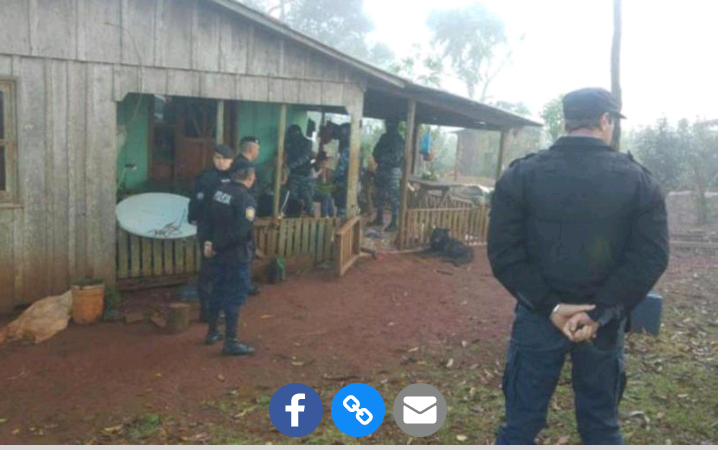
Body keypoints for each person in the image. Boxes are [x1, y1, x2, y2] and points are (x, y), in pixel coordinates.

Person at [487, 87, 669, 445]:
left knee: (520, 425)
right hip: (602, 324)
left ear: (566, 121)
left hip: (538, 317)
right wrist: (599, 312)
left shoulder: (521, 175)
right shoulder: (639, 181)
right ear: (605, 120)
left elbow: (504, 253)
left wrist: (551, 307)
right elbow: (651, 257)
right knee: (601, 426)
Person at [202, 159, 258, 356]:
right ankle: (231, 342)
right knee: (234, 298)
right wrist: (218, 245)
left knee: (217, 292)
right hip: (235, 255)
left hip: (217, 253)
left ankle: (212, 332)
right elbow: (241, 232)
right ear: (250, 178)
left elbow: (208, 219)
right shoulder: (245, 199)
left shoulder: (220, 192)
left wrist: (210, 243)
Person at [187, 143, 233, 323]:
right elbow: (196, 201)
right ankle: (207, 311)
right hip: (209, 230)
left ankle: (220, 307)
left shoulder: (235, 177)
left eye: (225, 158)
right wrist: (193, 217)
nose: (221, 162)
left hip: (228, 230)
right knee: (209, 270)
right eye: (217, 158)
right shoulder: (205, 178)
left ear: (231, 160)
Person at [232, 136, 262, 297]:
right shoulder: (245, 165)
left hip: (237, 212)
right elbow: (248, 191)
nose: (258, 152)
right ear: (251, 149)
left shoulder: (236, 162)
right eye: (257, 149)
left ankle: (240, 283)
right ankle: (243, 285)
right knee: (245, 250)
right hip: (243, 212)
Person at [371, 118, 405, 232]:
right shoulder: (384, 137)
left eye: (391, 124)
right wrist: (380, 159)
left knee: (394, 197)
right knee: (379, 195)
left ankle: (394, 222)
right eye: (387, 124)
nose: (388, 127)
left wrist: (382, 159)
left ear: (396, 126)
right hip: (382, 169)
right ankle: (379, 218)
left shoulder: (399, 140)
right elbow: (375, 152)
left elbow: (396, 157)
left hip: (393, 170)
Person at [284, 124, 316, 217]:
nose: (292, 136)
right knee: (293, 199)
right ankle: (294, 217)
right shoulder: (289, 142)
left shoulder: (307, 142)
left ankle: (311, 218)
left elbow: (305, 157)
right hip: (294, 175)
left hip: (305, 175)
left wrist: (290, 166)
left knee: (308, 199)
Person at [312, 151, 335, 218]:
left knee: (328, 197)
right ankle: (324, 215)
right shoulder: (313, 168)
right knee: (325, 195)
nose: (326, 163)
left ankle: (331, 216)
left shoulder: (328, 171)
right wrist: (320, 171)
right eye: (324, 161)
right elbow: (312, 179)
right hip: (312, 191)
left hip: (321, 191)